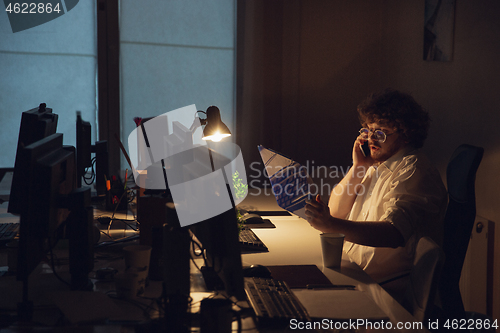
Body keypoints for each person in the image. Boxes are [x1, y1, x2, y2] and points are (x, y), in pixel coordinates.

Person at [305, 88, 447, 301]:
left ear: (405, 134)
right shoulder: (375, 165)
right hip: (356, 275)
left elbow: (393, 233)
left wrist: (331, 225)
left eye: (380, 132)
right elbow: (336, 211)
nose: (371, 138)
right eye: (367, 130)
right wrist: (358, 168)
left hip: (386, 291)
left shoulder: (414, 170)